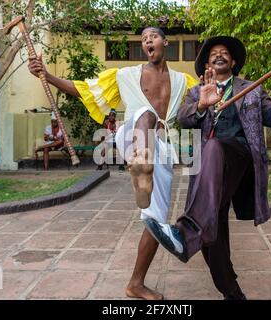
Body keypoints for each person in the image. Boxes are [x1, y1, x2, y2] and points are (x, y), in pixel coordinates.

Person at [28, 27, 197, 300]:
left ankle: (135, 284)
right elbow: (84, 90)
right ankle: (140, 164)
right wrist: (46, 75)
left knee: (156, 222)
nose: (147, 41)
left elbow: (204, 102)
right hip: (132, 135)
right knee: (145, 113)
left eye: (152, 37)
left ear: (164, 42)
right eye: (143, 39)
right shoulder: (125, 75)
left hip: (163, 150)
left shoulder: (183, 81)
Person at [144, 36, 271, 299]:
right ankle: (232, 292)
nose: (219, 55)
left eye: (225, 53)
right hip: (208, 173)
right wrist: (201, 105)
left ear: (233, 61)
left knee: (217, 147)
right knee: (211, 232)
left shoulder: (252, 88)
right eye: (213, 53)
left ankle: (184, 233)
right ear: (207, 63)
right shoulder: (197, 91)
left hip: (240, 161)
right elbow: (184, 120)